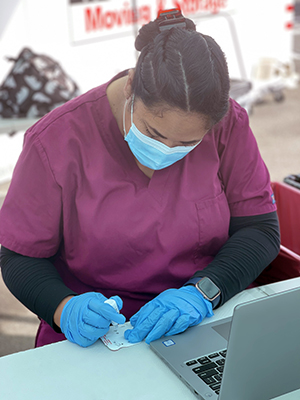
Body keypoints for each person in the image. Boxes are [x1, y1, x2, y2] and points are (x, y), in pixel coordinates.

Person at [0, 9, 280, 348]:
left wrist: (203, 292)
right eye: (153, 132)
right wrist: (63, 308)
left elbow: (260, 229)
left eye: (187, 143)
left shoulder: (229, 125)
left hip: (204, 313)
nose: (166, 151)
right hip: (100, 330)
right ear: (132, 85)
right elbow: (20, 257)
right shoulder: (56, 141)